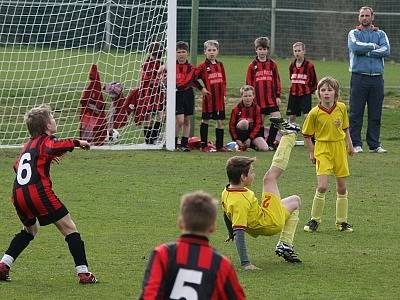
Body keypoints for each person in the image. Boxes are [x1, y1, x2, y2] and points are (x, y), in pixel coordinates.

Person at [0, 105, 97, 284]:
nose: (55, 120)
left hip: (18, 195)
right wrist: (77, 142)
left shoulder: (26, 146)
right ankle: (84, 273)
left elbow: (17, 166)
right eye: (52, 118)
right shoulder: (46, 141)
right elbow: (53, 146)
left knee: (30, 230)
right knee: (69, 229)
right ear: (46, 126)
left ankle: (3, 265)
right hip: (39, 194)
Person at [222, 120, 302, 270]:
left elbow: (226, 213)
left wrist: (229, 232)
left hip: (264, 220)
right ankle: (290, 135)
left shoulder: (226, 192)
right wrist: (246, 263)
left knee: (295, 201)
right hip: (270, 222)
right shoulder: (241, 200)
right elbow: (239, 233)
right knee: (269, 178)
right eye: (251, 172)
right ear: (243, 178)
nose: (254, 174)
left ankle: (285, 244)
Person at [139, 191, 246, 299]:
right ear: (213, 227)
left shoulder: (163, 254)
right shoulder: (222, 264)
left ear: (180, 222)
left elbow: (149, 296)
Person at [302, 77, 355, 233]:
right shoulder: (314, 113)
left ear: (335, 93)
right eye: (323, 90)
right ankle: (314, 220)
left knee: (342, 187)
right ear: (318, 93)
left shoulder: (342, 108)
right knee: (323, 186)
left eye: (329, 90)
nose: (326, 93)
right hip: (322, 149)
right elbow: (306, 134)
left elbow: (345, 128)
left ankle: (342, 222)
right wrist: (312, 152)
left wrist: (350, 145)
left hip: (339, 148)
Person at [348, 6, 390, 153]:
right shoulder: (354, 33)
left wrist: (366, 53)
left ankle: (374, 144)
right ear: (359, 17)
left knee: (375, 113)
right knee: (356, 112)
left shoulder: (381, 33)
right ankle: (356, 144)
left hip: (377, 79)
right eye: (362, 15)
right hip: (359, 77)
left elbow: (386, 50)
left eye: (367, 15)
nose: (364, 18)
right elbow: (355, 47)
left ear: (372, 17)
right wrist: (372, 46)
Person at [246, 36, 282, 150]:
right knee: (259, 122)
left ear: (267, 50)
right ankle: (260, 144)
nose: (262, 51)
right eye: (260, 49)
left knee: (277, 119)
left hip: (271, 99)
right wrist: (250, 98)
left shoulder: (272, 64)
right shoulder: (252, 66)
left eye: (264, 49)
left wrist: (278, 95)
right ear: (256, 50)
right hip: (258, 100)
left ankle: (270, 143)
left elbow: (277, 80)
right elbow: (248, 83)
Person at [196, 40, 228, 152]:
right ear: (205, 52)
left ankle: (219, 146)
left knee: (220, 121)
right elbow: (193, 78)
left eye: (214, 50)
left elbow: (223, 81)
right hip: (209, 99)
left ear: (217, 51)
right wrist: (202, 88)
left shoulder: (220, 65)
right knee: (206, 120)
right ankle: (203, 145)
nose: (211, 52)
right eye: (209, 50)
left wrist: (224, 94)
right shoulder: (202, 66)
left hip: (219, 99)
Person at [136, 42, 166, 144]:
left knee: (161, 115)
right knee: (148, 116)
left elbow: (165, 77)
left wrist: (162, 78)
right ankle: (148, 140)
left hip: (159, 92)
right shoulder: (145, 64)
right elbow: (142, 77)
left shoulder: (162, 64)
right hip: (148, 92)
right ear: (150, 53)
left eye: (158, 55)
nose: (156, 57)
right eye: (154, 55)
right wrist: (156, 78)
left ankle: (154, 137)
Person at [229, 85, 269, 151]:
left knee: (264, 148)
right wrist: (236, 139)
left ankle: (251, 145)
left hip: (253, 135)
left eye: (250, 96)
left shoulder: (257, 109)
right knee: (244, 122)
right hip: (240, 136)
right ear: (241, 97)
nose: (248, 98)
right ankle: (240, 144)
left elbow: (258, 125)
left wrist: (250, 138)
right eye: (245, 96)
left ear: (253, 96)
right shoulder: (236, 109)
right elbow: (231, 126)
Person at [286, 42, 318, 125]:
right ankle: (291, 134)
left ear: (304, 51)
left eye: (299, 50)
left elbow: (314, 80)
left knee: (307, 115)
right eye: (295, 51)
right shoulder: (292, 65)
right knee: (292, 116)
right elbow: (291, 78)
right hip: (293, 94)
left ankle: (309, 134)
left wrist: (310, 90)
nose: (297, 53)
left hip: (305, 94)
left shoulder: (309, 66)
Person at [175, 41, 198, 151]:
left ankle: (184, 144)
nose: (181, 54)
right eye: (179, 52)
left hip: (188, 94)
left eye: (183, 52)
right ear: (175, 53)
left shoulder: (192, 68)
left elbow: (192, 81)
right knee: (179, 120)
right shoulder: (171, 66)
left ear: (187, 53)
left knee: (186, 120)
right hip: (177, 94)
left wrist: (202, 88)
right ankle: (173, 141)